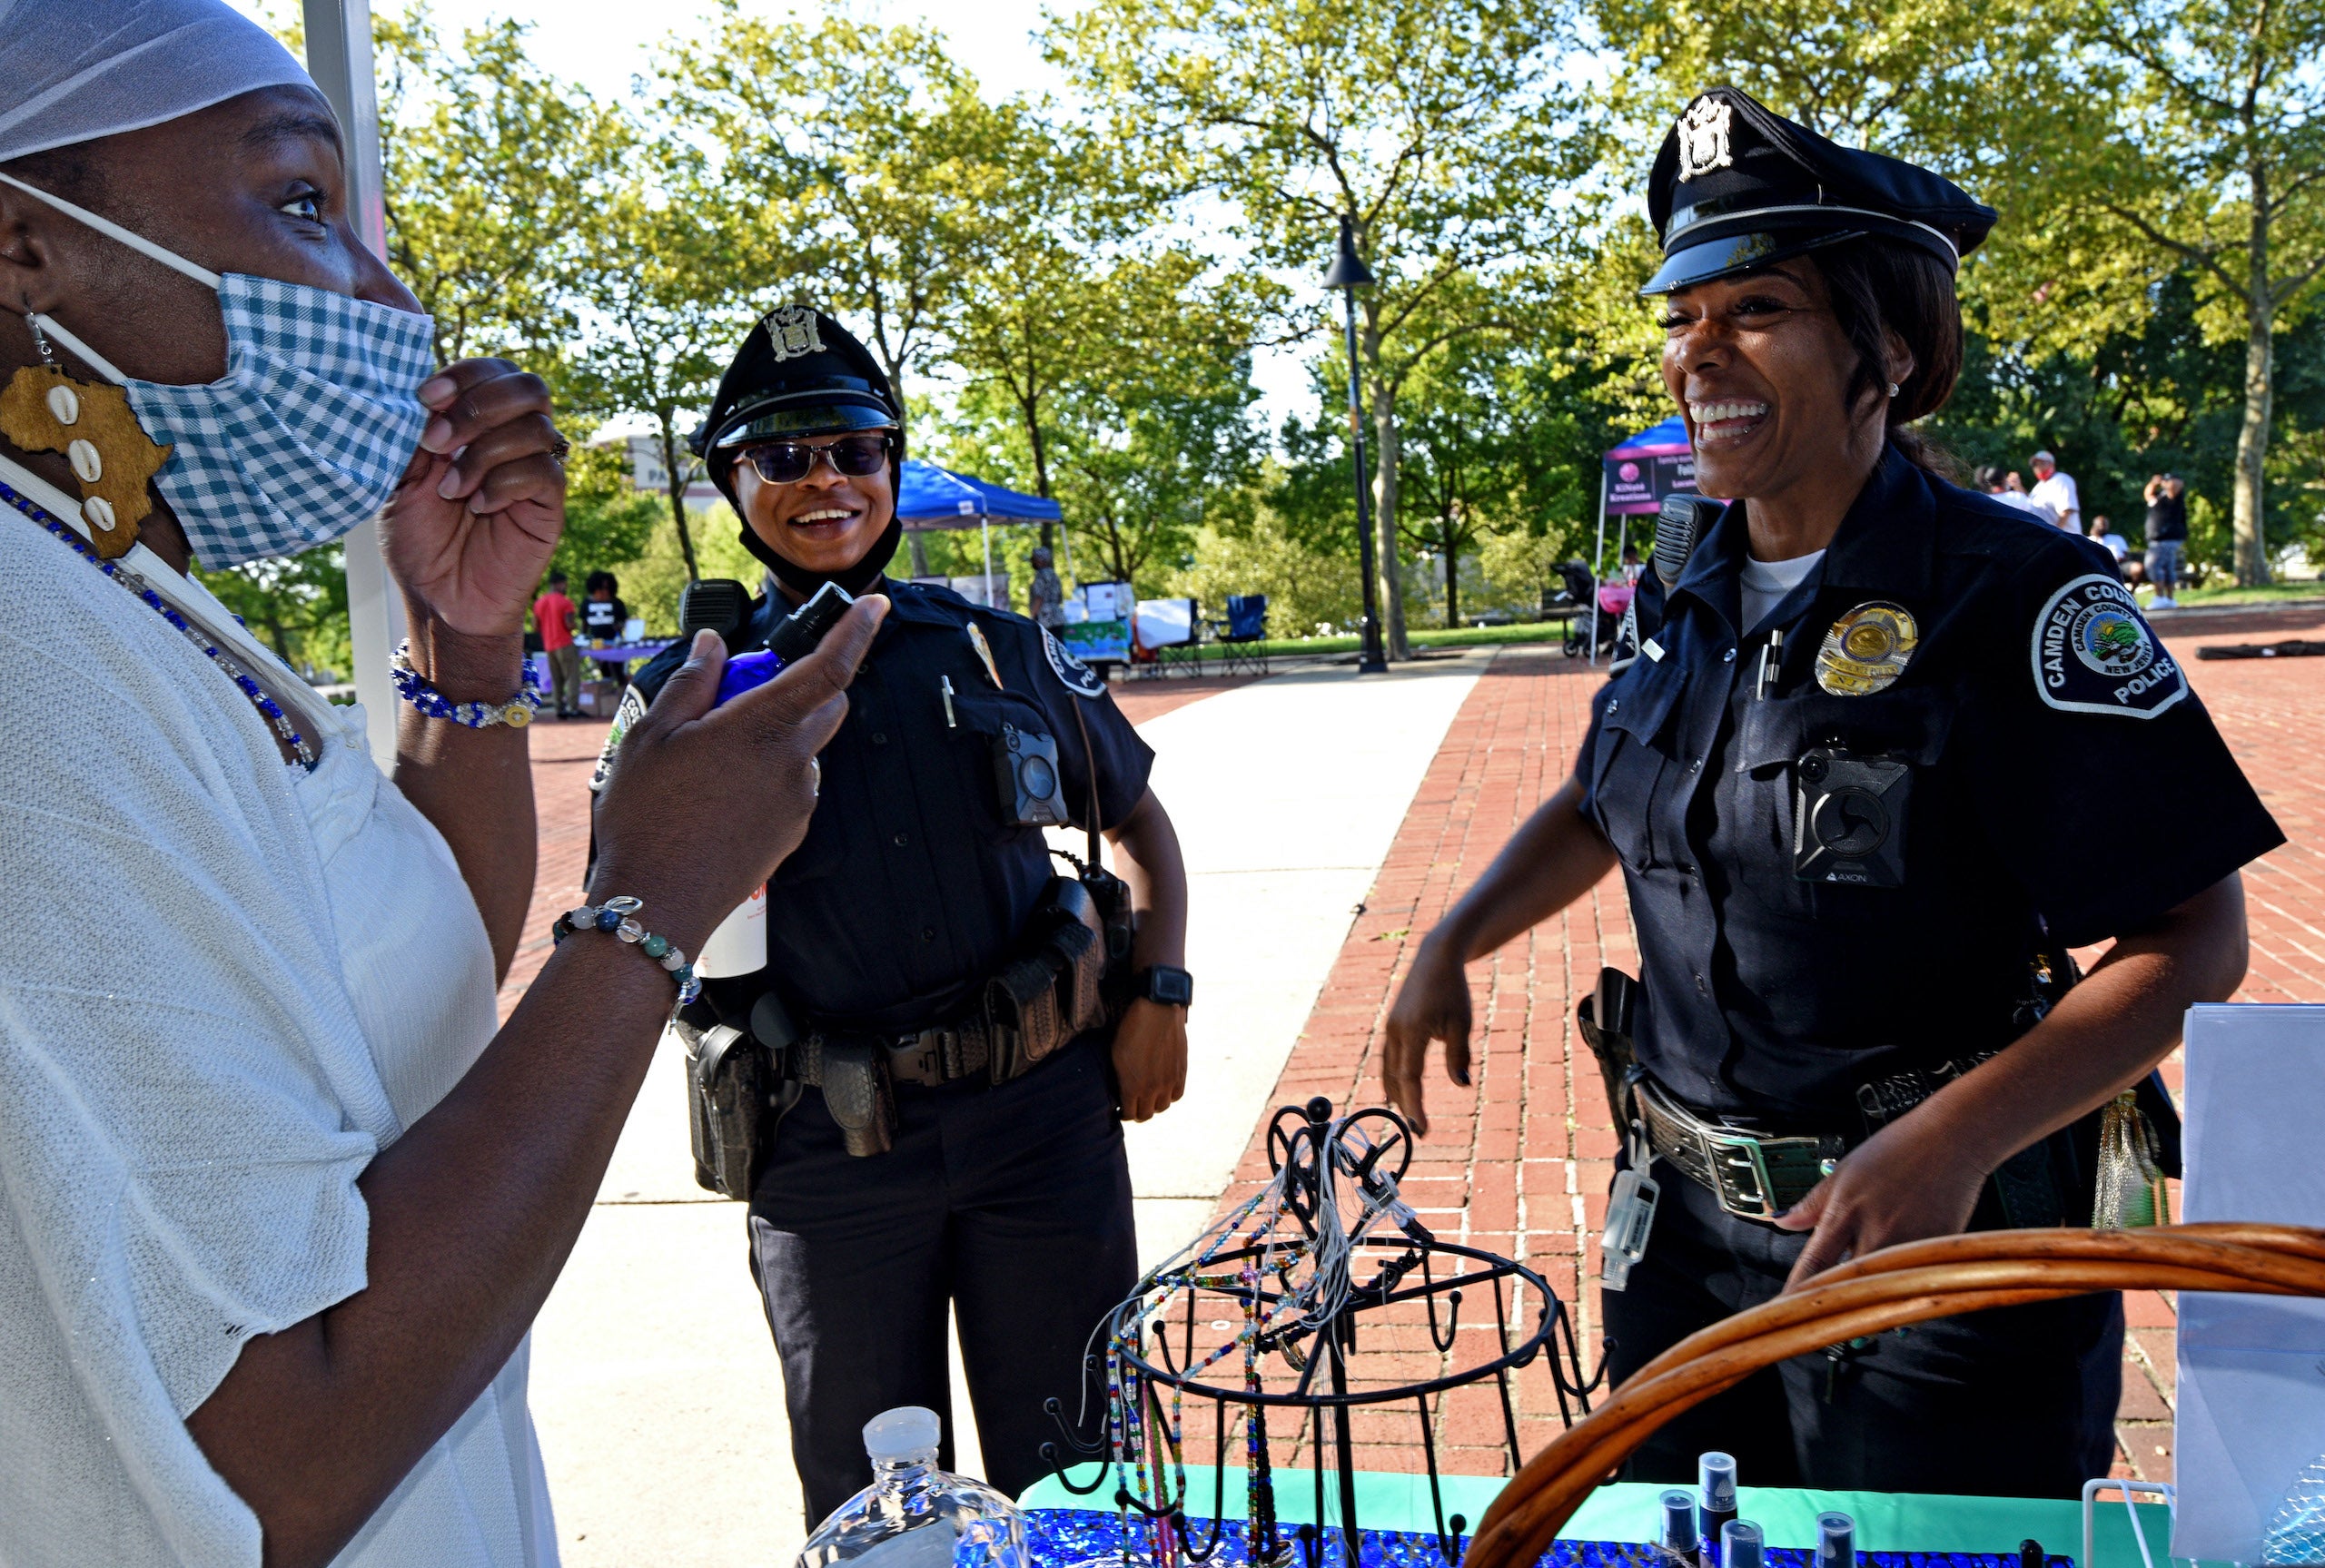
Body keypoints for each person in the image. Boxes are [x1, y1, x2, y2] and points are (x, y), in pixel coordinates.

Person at [0, 8, 876, 1565]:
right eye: (302, 205)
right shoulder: (30, 651)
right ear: (23, 247)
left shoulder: (111, 584)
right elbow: (280, 1452)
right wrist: (650, 907)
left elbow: (404, 987)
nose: (386, 301)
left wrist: (462, 647)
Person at [1381, 87, 2278, 1499]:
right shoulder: (1688, 576)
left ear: (1893, 349)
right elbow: (1608, 790)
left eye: (1759, 308)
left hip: (1939, 1248)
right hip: (1682, 1241)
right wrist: (1453, 940)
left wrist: (1958, 1135)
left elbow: (2194, 939)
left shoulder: (2015, 596)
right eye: (1682, 315)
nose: (1700, 353)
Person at [599, 307, 1192, 1522]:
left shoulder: (992, 648)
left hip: (1043, 1126)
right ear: (732, 482)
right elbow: (625, 916)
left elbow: (1147, 831)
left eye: (855, 450)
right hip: (829, 1154)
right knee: (872, 1509)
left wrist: (1163, 994)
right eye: (784, 456)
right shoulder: (684, 698)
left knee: (1085, 1477)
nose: (826, 480)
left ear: (892, 468)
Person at [534, 567, 580, 717]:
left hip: (549, 645)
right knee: (572, 677)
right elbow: (569, 624)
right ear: (560, 584)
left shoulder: (540, 602)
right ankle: (573, 708)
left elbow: (535, 626)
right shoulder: (565, 602)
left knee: (556, 678)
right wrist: (576, 625)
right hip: (565, 643)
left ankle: (558, 708)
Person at [2144, 473, 2189, 607]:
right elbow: (2148, 495)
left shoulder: (2174, 497)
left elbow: (2176, 485)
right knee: (2167, 567)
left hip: (2167, 538)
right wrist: (2153, 483)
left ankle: (2160, 597)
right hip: (2158, 539)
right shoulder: (2159, 498)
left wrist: (2164, 482)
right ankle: (2169, 600)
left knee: (2154, 565)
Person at [580, 567, 631, 680]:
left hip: (614, 642)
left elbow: (625, 622)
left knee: (619, 672)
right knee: (605, 673)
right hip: (596, 643)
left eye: (607, 588)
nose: (605, 591)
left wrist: (620, 626)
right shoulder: (587, 603)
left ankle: (619, 689)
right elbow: (584, 623)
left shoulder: (617, 602)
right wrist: (583, 638)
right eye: (601, 588)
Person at [1976, 463, 2055, 526]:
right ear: (2004, 480)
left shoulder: (1984, 501)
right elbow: (2033, 513)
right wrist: (2018, 486)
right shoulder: (2016, 497)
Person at [2030, 449, 2081, 532]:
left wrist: (2056, 534)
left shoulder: (2062, 480)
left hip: (2067, 539)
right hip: (2048, 540)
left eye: (2042, 463)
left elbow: (2066, 511)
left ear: (2051, 464)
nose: (2038, 467)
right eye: (2035, 465)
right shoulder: (2037, 488)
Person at [1028, 542, 1068, 631]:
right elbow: (1060, 598)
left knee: (1047, 644)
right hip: (1058, 617)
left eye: (1034, 559)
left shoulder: (1040, 576)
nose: (1032, 562)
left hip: (1045, 619)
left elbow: (1039, 597)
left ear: (1040, 561)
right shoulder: (1054, 575)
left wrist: (1032, 616)